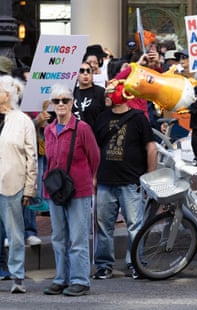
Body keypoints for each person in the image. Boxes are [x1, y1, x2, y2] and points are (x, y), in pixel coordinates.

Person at [92, 79, 157, 280]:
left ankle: (135, 263)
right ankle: (104, 265)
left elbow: (151, 148)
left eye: (110, 93)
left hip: (130, 181)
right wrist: (94, 176)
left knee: (134, 225)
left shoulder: (138, 118)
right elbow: (95, 150)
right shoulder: (102, 118)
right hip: (105, 180)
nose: (106, 96)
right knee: (103, 226)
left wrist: (149, 176)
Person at [42, 84, 100, 297]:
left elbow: (94, 156)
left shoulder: (82, 128)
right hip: (55, 191)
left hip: (78, 189)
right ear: (52, 104)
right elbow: (49, 160)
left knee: (77, 237)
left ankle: (79, 280)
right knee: (58, 237)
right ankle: (61, 278)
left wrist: (90, 179)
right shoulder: (48, 130)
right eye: (56, 101)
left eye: (65, 100)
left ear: (72, 102)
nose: (60, 104)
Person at [0, 75, 37, 294]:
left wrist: (30, 188)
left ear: (8, 94)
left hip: (13, 184)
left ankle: (17, 276)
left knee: (14, 233)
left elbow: (31, 157)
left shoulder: (22, 120)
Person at [72, 61, 107, 130]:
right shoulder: (71, 93)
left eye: (88, 71)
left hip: (95, 136)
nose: (85, 73)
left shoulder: (101, 92)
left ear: (92, 74)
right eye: (81, 71)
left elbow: (107, 115)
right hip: (76, 136)